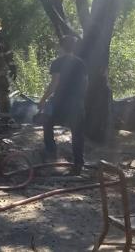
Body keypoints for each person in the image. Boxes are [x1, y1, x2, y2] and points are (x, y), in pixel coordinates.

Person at [38, 35, 88, 175]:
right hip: (77, 103)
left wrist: (43, 100)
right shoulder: (81, 63)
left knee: (47, 122)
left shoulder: (57, 63)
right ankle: (78, 164)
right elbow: (85, 84)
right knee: (78, 134)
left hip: (60, 104)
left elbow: (54, 84)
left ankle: (51, 152)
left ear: (61, 47)